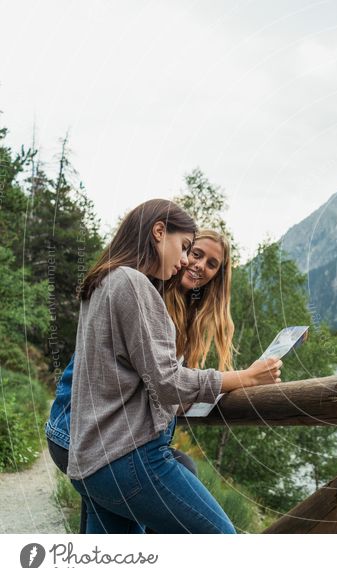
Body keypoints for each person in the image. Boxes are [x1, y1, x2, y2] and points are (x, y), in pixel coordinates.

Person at [63, 199, 281, 533]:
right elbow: (166, 382)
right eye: (184, 248)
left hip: (90, 462)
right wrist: (245, 378)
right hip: (127, 457)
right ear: (158, 232)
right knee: (221, 536)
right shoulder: (134, 285)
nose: (183, 262)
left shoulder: (103, 281)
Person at [45, 228, 236, 533]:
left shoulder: (181, 310)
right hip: (85, 432)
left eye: (212, 264)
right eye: (193, 252)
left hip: (98, 434)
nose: (198, 264)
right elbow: (165, 383)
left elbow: (159, 386)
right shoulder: (146, 292)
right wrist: (237, 380)